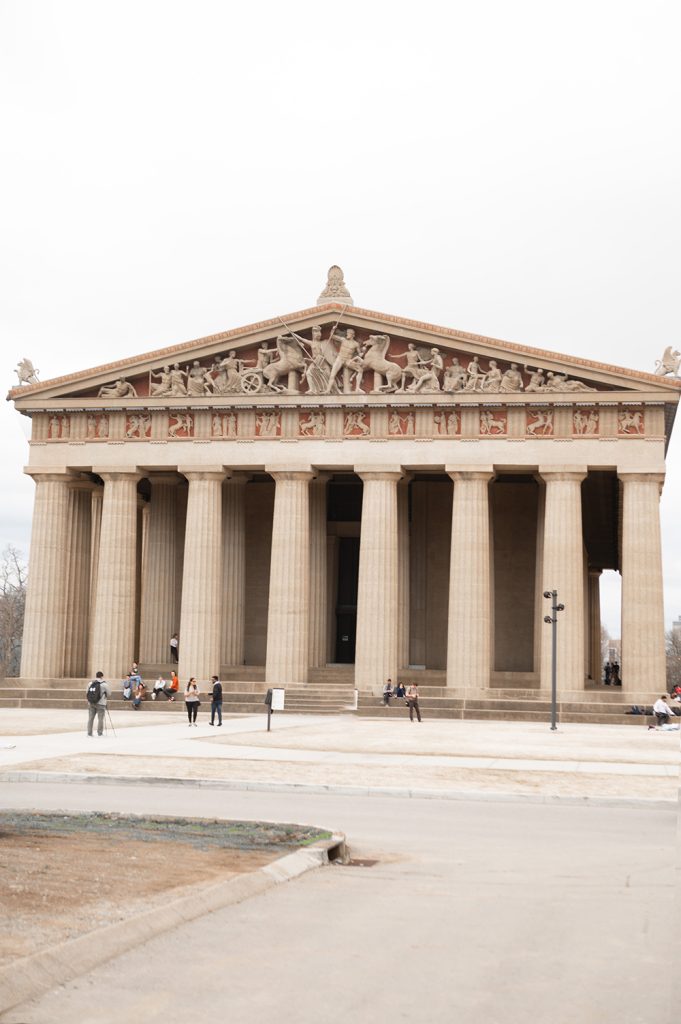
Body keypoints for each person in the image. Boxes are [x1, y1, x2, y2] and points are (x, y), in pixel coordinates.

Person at [86, 671, 111, 736]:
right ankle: (99, 733)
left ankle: (89, 733)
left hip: (91, 703)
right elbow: (109, 693)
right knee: (100, 719)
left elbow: (87, 693)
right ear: (102, 676)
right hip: (101, 703)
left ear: (96, 676)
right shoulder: (104, 684)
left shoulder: (90, 683)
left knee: (90, 718)